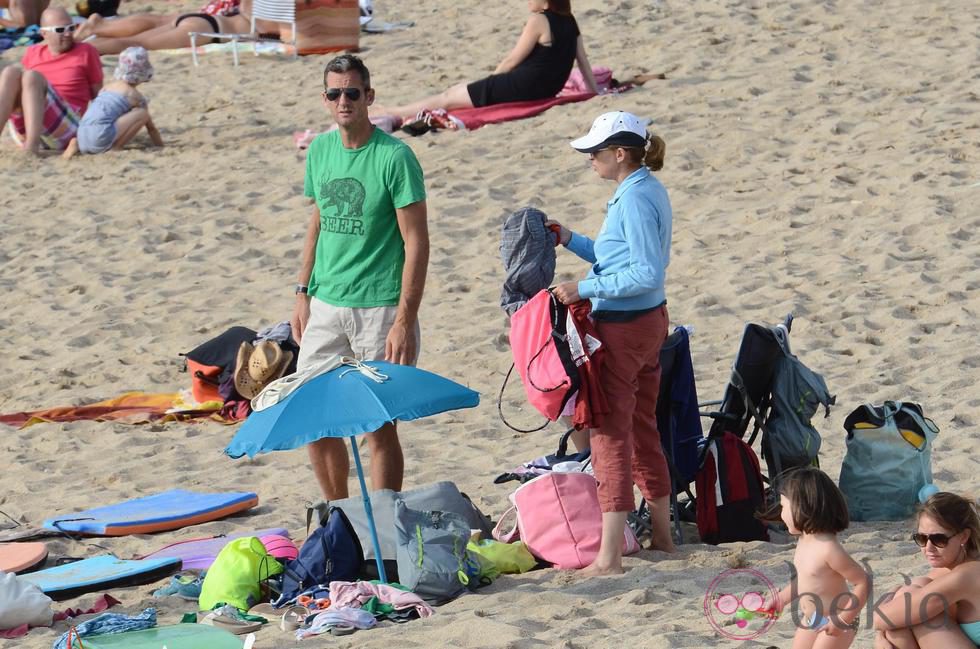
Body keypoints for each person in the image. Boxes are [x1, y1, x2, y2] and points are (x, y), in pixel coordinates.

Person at [290, 54, 429, 500]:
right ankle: (340, 519)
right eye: (335, 93)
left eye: (352, 92)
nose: (343, 100)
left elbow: (417, 243)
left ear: (369, 96)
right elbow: (318, 220)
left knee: (378, 426)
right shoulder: (320, 150)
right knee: (314, 417)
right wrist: (301, 291)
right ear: (325, 99)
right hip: (327, 303)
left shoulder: (395, 157)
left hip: (381, 308)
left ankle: (384, 524)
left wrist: (405, 319)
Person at [546, 110, 673, 573]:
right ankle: (662, 537)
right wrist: (570, 240)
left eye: (595, 153)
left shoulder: (635, 199)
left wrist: (584, 289)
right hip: (647, 323)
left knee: (609, 432)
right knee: (642, 426)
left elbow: (643, 272)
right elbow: (617, 256)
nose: (590, 160)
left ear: (620, 154)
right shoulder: (642, 190)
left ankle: (609, 556)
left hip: (626, 329)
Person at [376, 0, 599, 123]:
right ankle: (397, 110)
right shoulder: (570, 21)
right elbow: (583, 62)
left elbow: (511, 61)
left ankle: (394, 111)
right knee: (456, 92)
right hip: (547, 89)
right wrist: (593, 92)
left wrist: (491, 82)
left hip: (524, 85)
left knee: (448, 98)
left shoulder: (539, 20)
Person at [764, 467, 869, 648]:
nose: (781, 514)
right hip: (812, 618)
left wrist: (843, 618)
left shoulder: (828, 548)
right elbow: (807, 579)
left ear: (802, 506)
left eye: (783, 507)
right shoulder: (804, 540)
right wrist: (781, 598)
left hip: (838, 618)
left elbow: (863, 582)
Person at [873, 492, 980, 649]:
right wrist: (881, 634)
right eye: (922, 538)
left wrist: (881, 631)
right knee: (911, 595)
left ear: (964, 536)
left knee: (913, 602)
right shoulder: (947, 572)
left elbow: (881, 618)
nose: (928, 548)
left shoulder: (967, 575)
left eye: (939, 539)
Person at [0, 6, 102, 155]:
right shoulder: (32, 52)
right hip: (28, 128)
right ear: (44, 33)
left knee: (31, 76)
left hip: (67, 127)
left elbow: (98, 96)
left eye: (71, 27)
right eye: (60, 30)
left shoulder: (86, 51)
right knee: (10, 72)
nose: (68, 34)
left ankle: (31, 149)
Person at [63, 46, 163, 158]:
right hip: (99, 137)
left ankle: (75, 144)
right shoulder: (135, 96)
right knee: (142, 114)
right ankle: (116, 147)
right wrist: (161, 146)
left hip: (82, 134)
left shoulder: (107, 88)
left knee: (108, 117)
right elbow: (151, 129)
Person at [82, 0, 266, 55]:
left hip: (206, 18)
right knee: (136, 43)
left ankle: (99, 28)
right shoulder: (280, 16)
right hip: (209, 28)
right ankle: (84, 49)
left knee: (158, 20)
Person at [73, 0, 240, 43]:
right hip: (225, 18)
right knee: (141, 40)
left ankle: (102, 27)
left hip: (219, 11)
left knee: (160, 21)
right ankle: (99, 30)